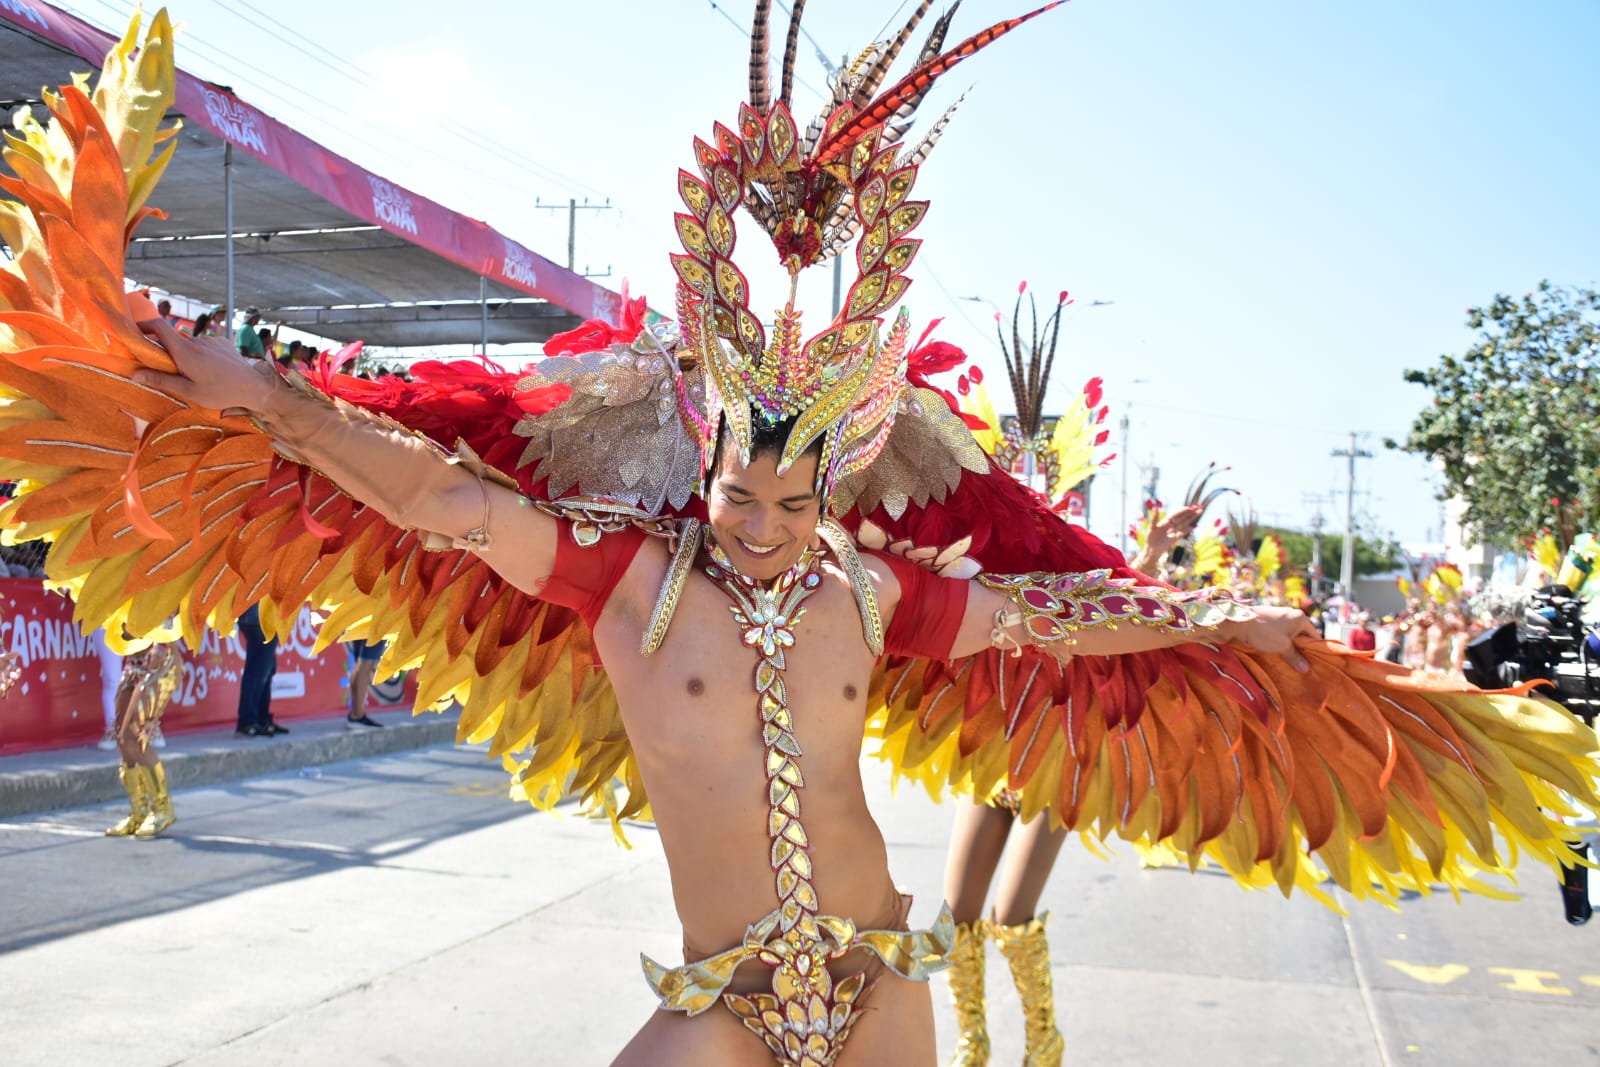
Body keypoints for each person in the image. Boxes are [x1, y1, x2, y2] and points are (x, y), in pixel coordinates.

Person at [7, 10, 1600, 1067]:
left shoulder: (875, 588)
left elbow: (1056, 623)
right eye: (740, 496)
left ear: (836, 489)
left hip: (882, 964)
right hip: (726, 993)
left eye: (792, 499)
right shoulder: (618, 572)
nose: (763, 526)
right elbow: (427, 489)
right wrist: (260, 390)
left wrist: (1230, 632)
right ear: (698, 469)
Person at [941, 500, 1202, 1064]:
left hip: (1057, 767)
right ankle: (972, 1045)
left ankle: (1041, 1045)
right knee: (955, 918)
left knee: (1011, 918)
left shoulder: (1072, 592)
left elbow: (1123, 609)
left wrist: (1151, 555)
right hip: (995, 760)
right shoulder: (982, 576)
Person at [103, 640, 182, 838]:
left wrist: (162, 644)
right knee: (121, 737)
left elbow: (167, 612)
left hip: (157, 665)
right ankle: (139, 811)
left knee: (136, 738)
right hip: (133, 666)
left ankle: (162, 808)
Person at [234, 603, 283, 737]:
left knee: (266, 668)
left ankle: (261, 719)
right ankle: (248, 721)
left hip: (254, 613)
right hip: (260, 615)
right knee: (259, 671)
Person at [344, 639, 386, 729]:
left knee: (360, 662)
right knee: (366, 662)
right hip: (374, 626)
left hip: (358, 625)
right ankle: (357, 716)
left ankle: (355, 714)